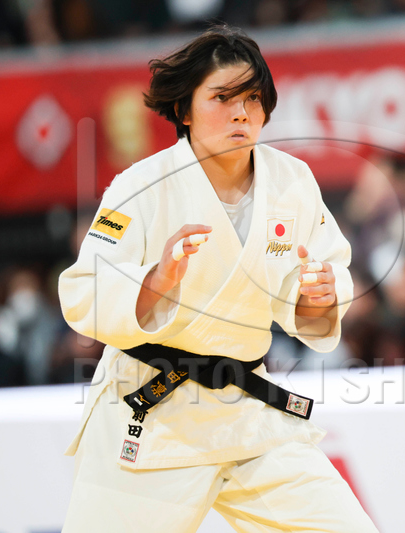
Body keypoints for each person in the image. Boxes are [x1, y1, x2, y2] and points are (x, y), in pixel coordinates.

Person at [58, 25, 377, 532]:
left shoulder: (291, 181)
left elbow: (322, 281)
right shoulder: (139, 186)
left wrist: (320, 296)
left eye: (252, 98)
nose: (241, 112)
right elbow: (85, 291)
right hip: (154, 412)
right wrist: (157, 279)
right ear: (184, 110)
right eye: (223, 98)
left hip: (248, 411)